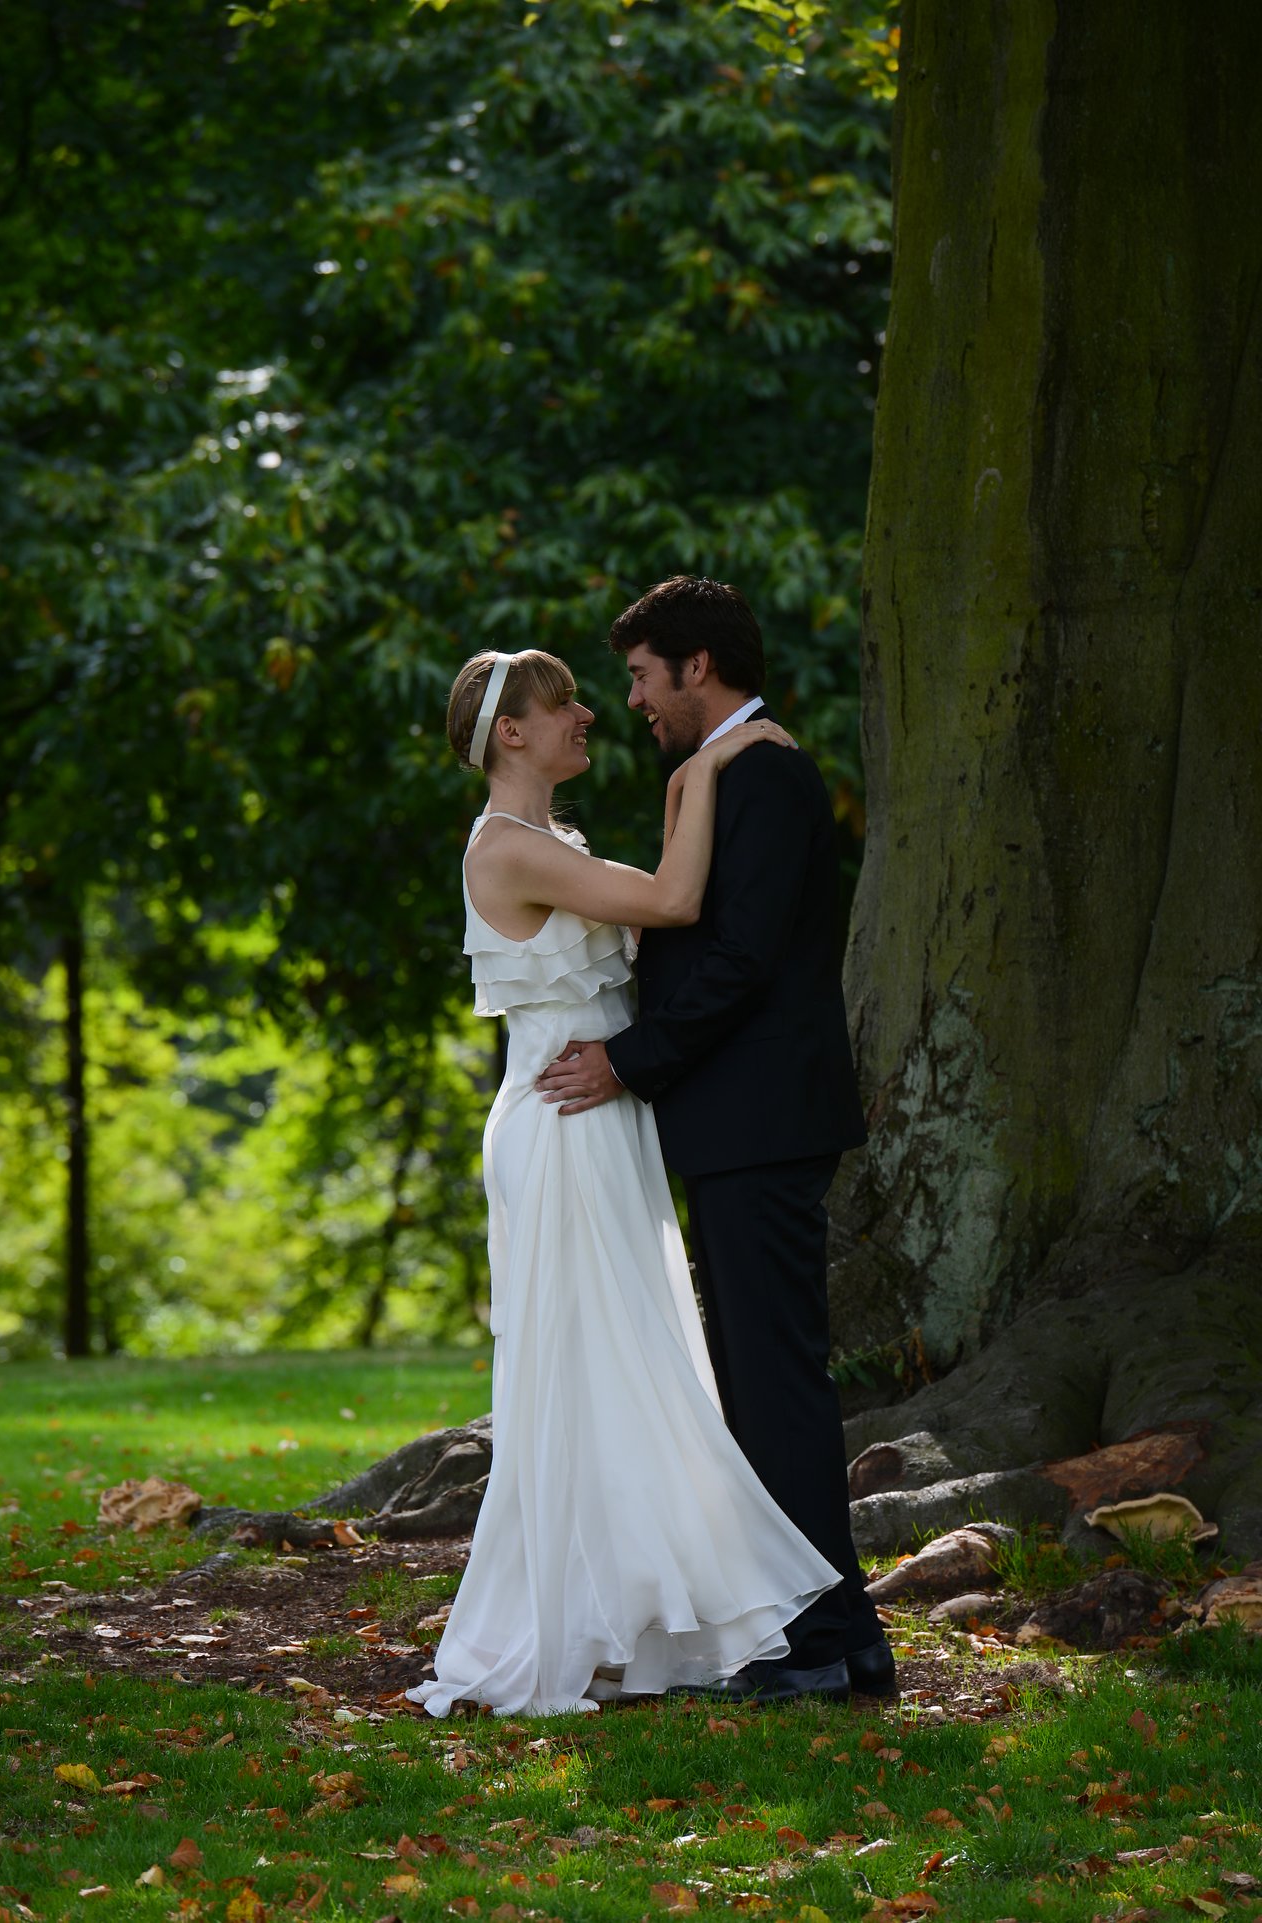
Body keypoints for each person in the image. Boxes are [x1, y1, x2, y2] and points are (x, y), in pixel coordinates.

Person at [407, 646, 841, 1718]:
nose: (589, 716)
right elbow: (676, 899)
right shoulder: (509, 848)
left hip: (598, 1115)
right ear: (512, 732)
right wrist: (701, 772)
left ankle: (637, 1619)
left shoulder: (552, 838)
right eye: (564, 707)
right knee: (584, 1372)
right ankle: (570, 1623)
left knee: (624, 1365)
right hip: (561, 1123)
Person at [534, 576, 894, 1704]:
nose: (632, 701)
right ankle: (824, 1632)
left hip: (763, 1121)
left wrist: (626, 1062)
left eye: (642, 676)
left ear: (697, 666)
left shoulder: (770, 775)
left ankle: (831, 1638)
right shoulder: (720, 773)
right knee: (751, 1381)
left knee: (776, 1385)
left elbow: (739, 957)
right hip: (733, 1124)